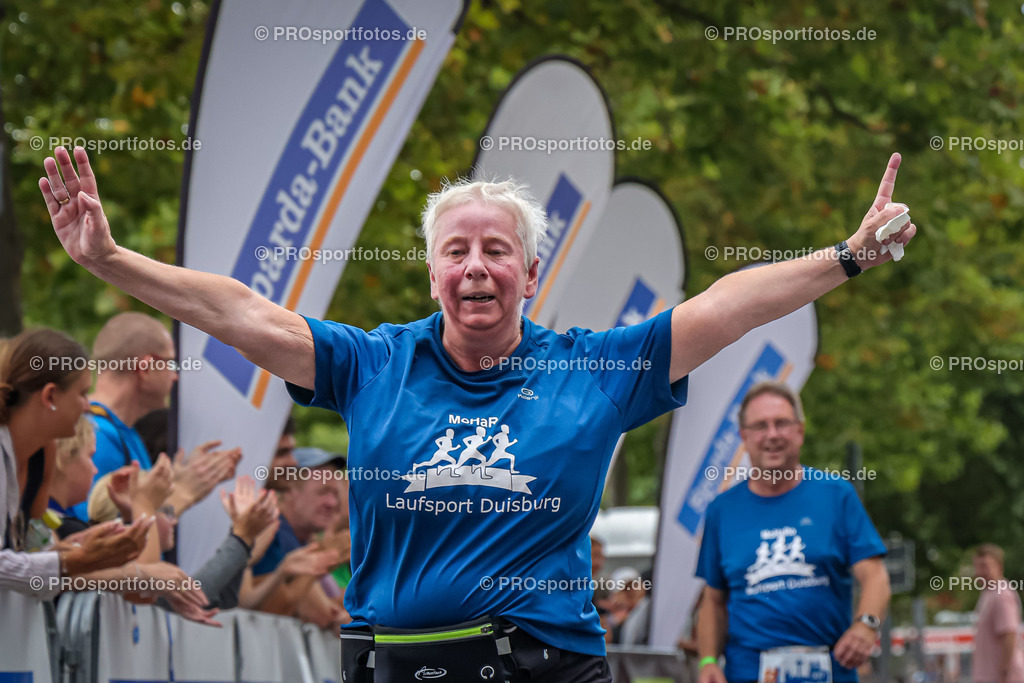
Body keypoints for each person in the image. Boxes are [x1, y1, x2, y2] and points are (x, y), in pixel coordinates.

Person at [39, 145, 915, 681]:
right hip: (393, 661)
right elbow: (243, 313)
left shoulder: (593, 370)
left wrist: (845, 256)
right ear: (433, 275)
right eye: (455, 250)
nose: (475, 266)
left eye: (497, 250)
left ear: (530, 276)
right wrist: (111, 260)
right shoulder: (374, 362)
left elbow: (726, 306)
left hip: (547, 665)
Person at [695, 382, 891, 683]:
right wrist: (708, 661)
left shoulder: (836, 496)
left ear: (800, 431)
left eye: (782, 424)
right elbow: (713, 601)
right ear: (744, 436)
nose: (772, 434)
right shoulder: (722, 511)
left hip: (830, 669)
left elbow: (875, 575)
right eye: (760, 426)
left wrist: (866, 625)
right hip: (747, 672)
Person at [0, 327, 151, 598]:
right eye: (82, 394)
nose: (87, 406)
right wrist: (78, 559)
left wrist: (77, 547)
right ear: (50, 396)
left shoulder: (42, 452)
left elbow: (26, 550)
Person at [69, 315, 240, 523]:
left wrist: (175, 481)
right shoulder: (98, 437)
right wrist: (184, 492)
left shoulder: (118, 430)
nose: (175, 376)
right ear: (146, 368)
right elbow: (100, 533)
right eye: (171, 363)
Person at [972, 544, 1024, 683]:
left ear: (999, 567)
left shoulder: (1001, 595)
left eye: (985, 566)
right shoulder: (989, 593)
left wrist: (1004, 672)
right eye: (977, 566)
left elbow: (1009, 634)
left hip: (1001, 677)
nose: (980, 572)